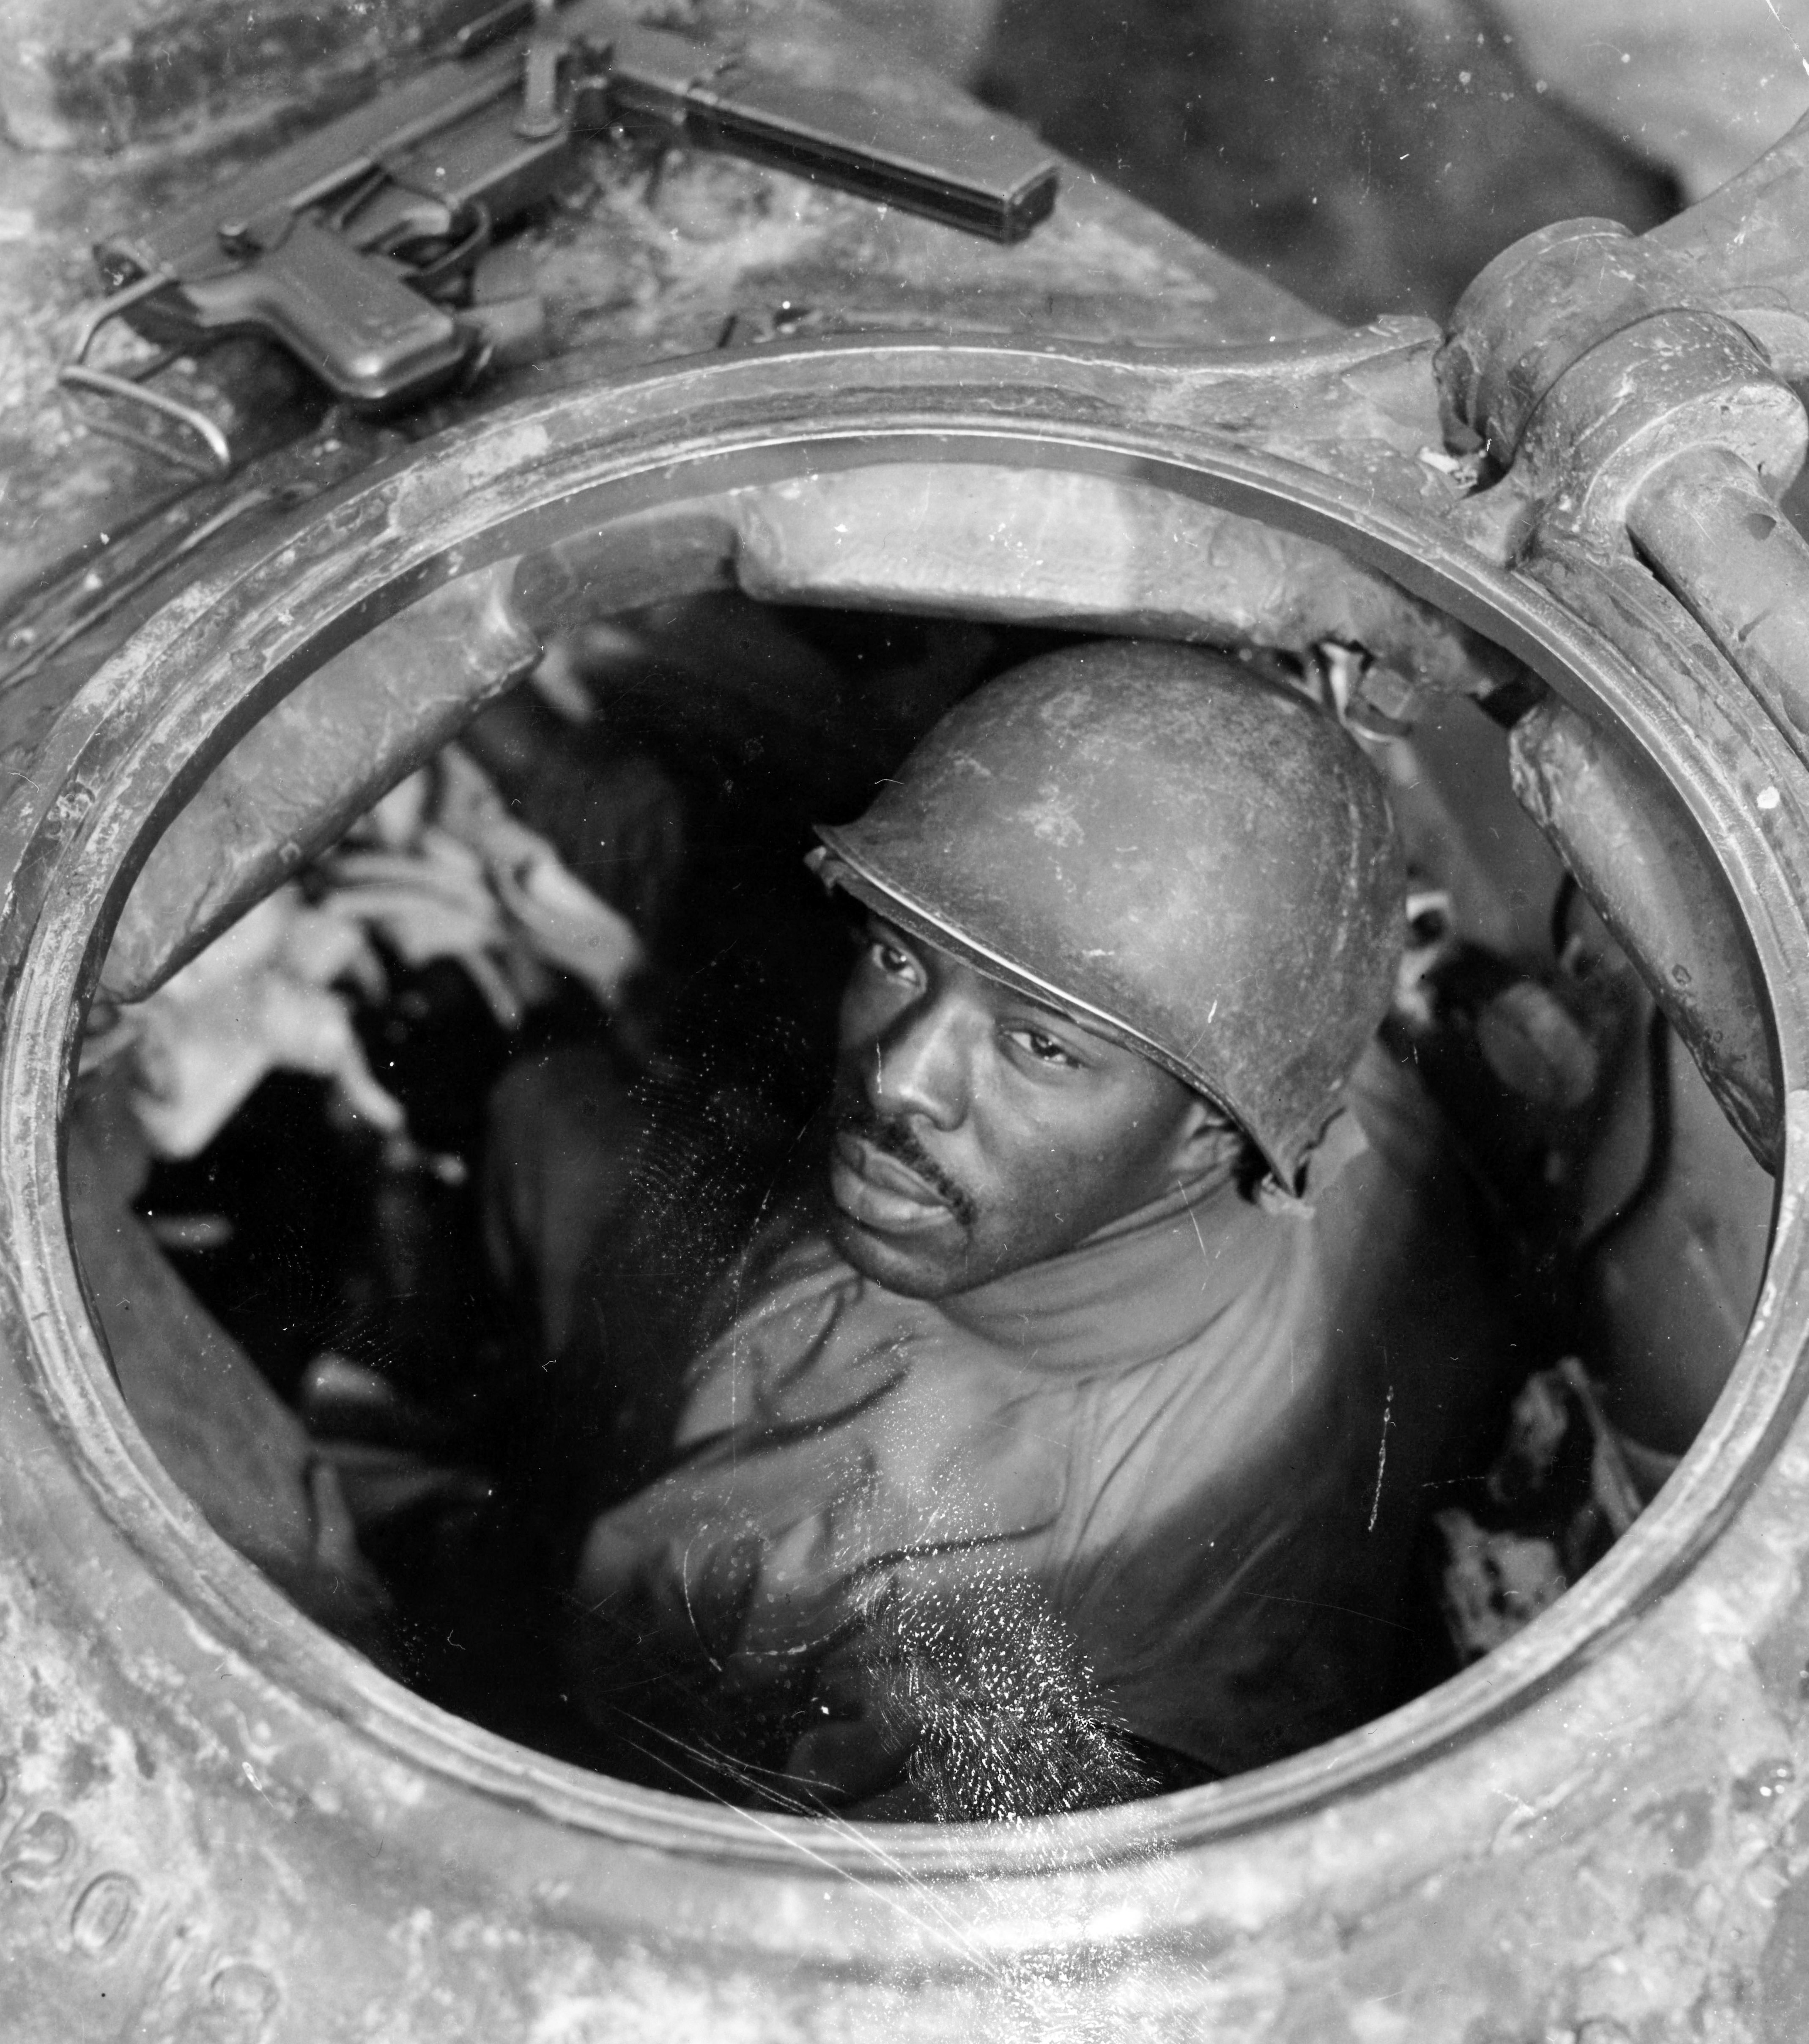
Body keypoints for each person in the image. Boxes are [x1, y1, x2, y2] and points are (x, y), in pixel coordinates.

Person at [496, 639, 1499, 1818]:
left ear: (1208, 1135)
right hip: (890, 1286)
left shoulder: (951, 1623)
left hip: (671, 1578)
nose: (900, 1077)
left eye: (1039, 1045)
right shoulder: (1282, 1051)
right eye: (894, 955)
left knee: (539, 1119)